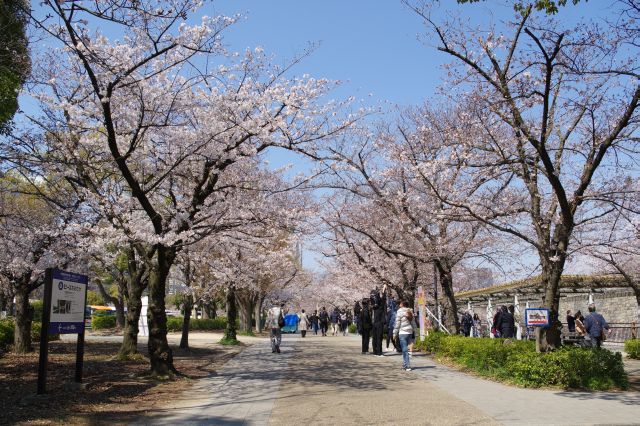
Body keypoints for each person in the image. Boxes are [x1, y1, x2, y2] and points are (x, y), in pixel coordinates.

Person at [393, 300, 417, 371]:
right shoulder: (410, 311)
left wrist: (394, 333)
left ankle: (408, 365)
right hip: (409, 332)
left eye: (400, 303)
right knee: (405, 349)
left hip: (402, 332)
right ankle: (404, 364)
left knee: (404, 350)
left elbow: (397, 324)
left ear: (402, 304)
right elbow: (413, 323)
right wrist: (416, 332)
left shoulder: (399, 311)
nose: (399, 304)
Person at [371, 287, 386, 356]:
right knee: (379, 337)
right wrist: (383, 290)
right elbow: (383, 299)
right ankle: (379, 352)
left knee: (375, 337)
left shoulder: (373, 307)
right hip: (379, 322)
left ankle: (375, 351)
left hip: (374, 323)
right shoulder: (380, 307)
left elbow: (381, 299)